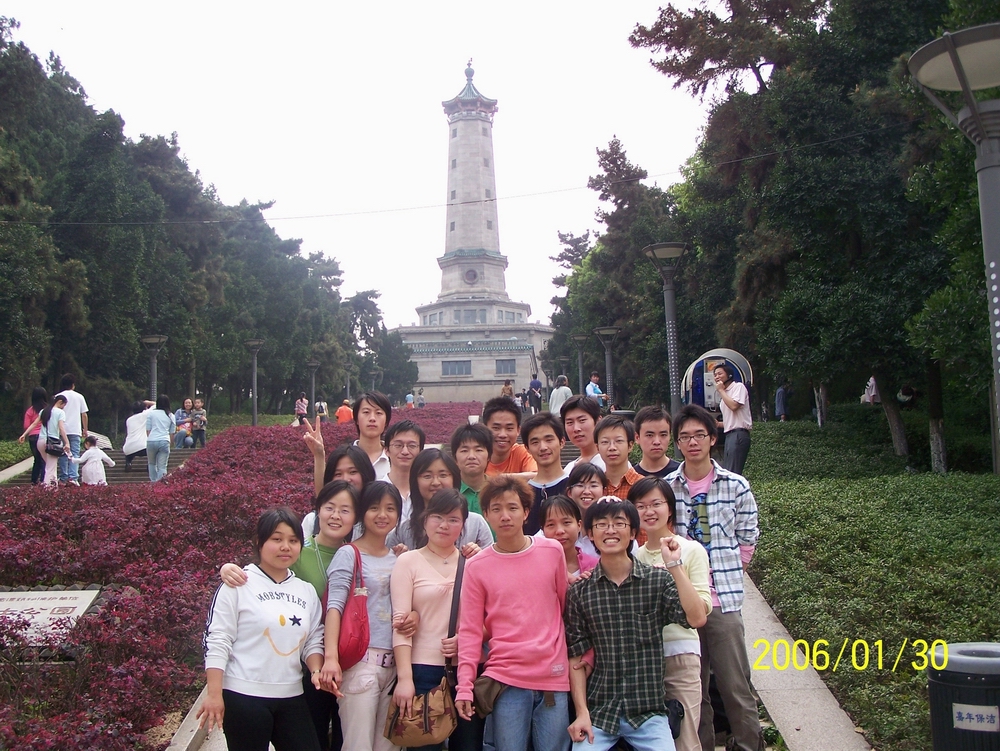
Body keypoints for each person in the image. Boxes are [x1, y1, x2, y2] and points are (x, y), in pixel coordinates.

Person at [221, 482, 360, 751]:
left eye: (345, 510)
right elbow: (264, 574)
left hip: (351, 661)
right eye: (329, 507)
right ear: (317, 512)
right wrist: (229, 568)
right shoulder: (297, 551)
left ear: (356, 517)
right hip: (303, 668)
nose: (336, 515)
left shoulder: (359, 554)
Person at [564, 498, 707, 751]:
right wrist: (582, 712)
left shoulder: (657, 581)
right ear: (590, 534)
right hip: (600, 713)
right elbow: (576, 657)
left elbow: (696, 619)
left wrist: (674, 565)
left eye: (619, 523)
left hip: (648, 714)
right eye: (601, 524)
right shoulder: (580, 592)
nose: (610, 530)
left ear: (632, 533)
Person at [667, 404, 762, 751]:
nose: (693, 442)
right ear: (678, 443)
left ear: (712, 438)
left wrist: (731, 573)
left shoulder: (736, 485)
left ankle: (749, 744)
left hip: (723, 601)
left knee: (735, 685)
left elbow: (748, 537)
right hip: (684, 603)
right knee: (695, 691)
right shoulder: (668, 488)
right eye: (685, 437)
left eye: (699, 435)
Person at [455, 476, 571, 751]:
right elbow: (470, 631)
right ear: (486, 515)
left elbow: (565, 608)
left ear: (526, 512)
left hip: (553, 677)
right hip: (505, 680)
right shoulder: (477, 566)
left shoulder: (552, 551)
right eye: (496, 509)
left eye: (512, 507)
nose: (505, 516)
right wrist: (464, 685)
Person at [198, 507, 325, 751]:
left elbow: (313, 640)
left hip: (291, 695)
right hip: (243, 695)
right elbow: (218, 640)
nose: (285, 547)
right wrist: (214, 694)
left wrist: (316, 670)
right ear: (259, 542)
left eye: (293, 541)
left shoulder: (306, 591)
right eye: (277, 539)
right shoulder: (237, 584)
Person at [390, 488, 485, 751]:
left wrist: (466, 639)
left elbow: (491, 619)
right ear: (425, 519)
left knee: (468, 746)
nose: (444, 525)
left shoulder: (474, 563)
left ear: (463, 525)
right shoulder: (408, 562)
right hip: (423, 671)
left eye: (453, 519)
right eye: (438, 517)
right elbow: (400, 625)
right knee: (424, 746)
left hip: (466, 672)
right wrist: (405, 678)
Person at [630, 477, 712, 751]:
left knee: (685, 739)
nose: (649, 511)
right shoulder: (633, 558)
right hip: (643, 662)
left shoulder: (691, 550)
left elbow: (698, 616)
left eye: (656, 504)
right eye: (640, 506)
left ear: (670, 508)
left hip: (680, 656)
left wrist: (674, 566)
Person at [320, 482, 402, 751]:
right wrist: (330, 658)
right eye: (374, 508)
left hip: (394, 668)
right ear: (362, 513)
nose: (382, 515)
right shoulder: (349, 554)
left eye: (390, 508)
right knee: (358, 746)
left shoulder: (399, 559)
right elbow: (334, 607)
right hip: (361, 665)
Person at [387, 449, 493, 554]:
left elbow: (492, 561)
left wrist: (479, 557)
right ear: (415, 482)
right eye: (427, 476)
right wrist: (398, 558)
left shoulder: (476, 524)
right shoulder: (403, 530)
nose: (436, 482)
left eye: (443, 475)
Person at [521, 412, 569, 535]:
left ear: (562, 442)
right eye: (535, 442)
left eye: (549, 440)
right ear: (527, 448)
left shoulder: (574, 487)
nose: (543, 447)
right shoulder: (522, 494)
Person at [537, 495, 598, 582]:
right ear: (543, 530)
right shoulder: (536, 566)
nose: (560, 531)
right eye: (551, 525)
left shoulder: (595, 567)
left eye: (566, 522)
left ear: (579, 525)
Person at [20, 393, 70, 487]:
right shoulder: (60, 412)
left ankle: (53, 487)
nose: (64, 407)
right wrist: (67, 442)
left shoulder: (44, 411)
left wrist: (24, 434)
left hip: (41, 441)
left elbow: (34, 424)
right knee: (50, 467)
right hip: (52, 443)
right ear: (60, 402)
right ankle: (48, 489)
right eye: (64, 404)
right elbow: (61, 428)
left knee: (50, 466)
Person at [482, 397, 536, 480]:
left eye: (509, 428)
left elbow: (539, 476)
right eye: (496, 428)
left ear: (518, 430)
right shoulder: (477, 455)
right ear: (484, 429)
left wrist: (499, 478)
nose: (502, 435)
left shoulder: (522, 453)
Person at [713, 364, 752, 476]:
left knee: (733, 473)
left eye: (720, 373)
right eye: (715, 375)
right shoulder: (725, 393)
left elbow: (734, 406)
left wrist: (721, 391)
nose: (717, 377)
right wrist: (718, 424)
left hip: (738, 434)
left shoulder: (738, 387)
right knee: (728, 471)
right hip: (729, 435)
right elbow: (732, 420)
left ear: (729, 375)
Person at [384, 420, 426, 522]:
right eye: (398, 445)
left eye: (412, 446)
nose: (405, 452)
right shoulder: (375, 490)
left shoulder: (427, 491)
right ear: (387, 450)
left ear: (421, 451)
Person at [565, 463, 609, 558]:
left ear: (604, 492)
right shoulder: (560, 522)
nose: (587, 491)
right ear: (569, 492)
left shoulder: (612, 525)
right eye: (580, 485)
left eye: (593, 486)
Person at [595, 414, 641, 503]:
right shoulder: (594, 487)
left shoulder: (643, 485)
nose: (612, 447)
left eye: (619, 441)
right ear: (597, 447)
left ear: (630, 446)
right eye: (605, 442)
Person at [450, 422, 493, 515]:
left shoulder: (498, 490)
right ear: (455, 457)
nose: (471, 456)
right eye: (464, 450)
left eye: (478, 450)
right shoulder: (448, 492)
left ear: (489, 456)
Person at [56, 373, 89, 485]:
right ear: (73, 385)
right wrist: (85, 429)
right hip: (75, 429)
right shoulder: (79, 397)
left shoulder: (58, 397)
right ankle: (73, 478)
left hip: (61, 430)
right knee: (75, 453)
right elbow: (84, 414)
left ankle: (63, 478)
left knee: (63, 454)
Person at [560, 395, 606, 474]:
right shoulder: (568, 469)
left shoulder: (611, 465)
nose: (576, 428)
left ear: (598, 421)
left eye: (582, 420)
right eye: (570, 422)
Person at [353, 392, 392, 480]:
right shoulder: (345, 457)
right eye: (366, 412)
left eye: (378, 413)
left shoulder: (394, 458)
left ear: (386, 421)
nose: (372, 418)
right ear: (356, 419)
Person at [634, 405, 681, 478]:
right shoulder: (630, 477)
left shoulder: (681, 473)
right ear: (637, 438)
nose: (657, 442)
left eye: (663, 435)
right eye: (649, 435)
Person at [146, 395, 176, 482]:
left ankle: (153, 482)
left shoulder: (151, 414)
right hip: (164, 441)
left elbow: (148, 430)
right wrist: (170, 443)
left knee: (152, 464)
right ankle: (160, 484)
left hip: (151, 440)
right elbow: (172, 432)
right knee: (162, 466)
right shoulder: (171, 415)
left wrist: (151, 438)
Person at [21, 387, 47, 484]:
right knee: (44, 459)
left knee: (37, 459)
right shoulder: (48, 409)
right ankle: (44, 480)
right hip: (44, 436)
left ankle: (34, 480)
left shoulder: (30, 410)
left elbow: (26, 425)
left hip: (33, 437)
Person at [122, 400, 154, 470]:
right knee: (153, 450)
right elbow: (157, 405)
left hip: (128, 448)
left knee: (129, 453)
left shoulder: (129, 420)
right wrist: (147, 402)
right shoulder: (144, 415)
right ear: (144, 409)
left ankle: (128, 462)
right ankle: (150, 464)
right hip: (143, 447)